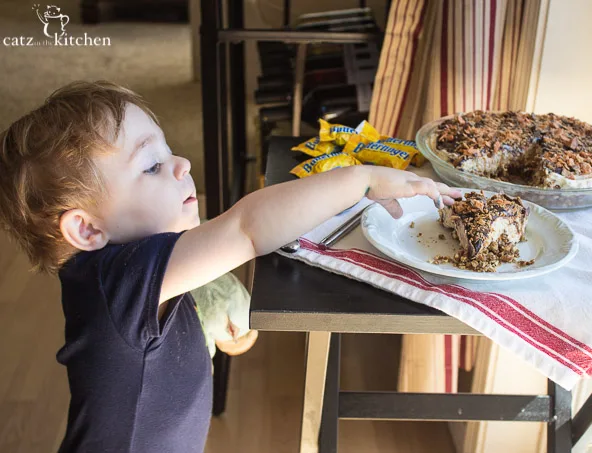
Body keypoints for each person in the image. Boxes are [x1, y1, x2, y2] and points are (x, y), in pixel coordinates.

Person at [0, 80, 460, 452]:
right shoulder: (117, 281)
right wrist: (361, 179)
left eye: (168, 151)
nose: (181, 164)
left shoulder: (134, 274)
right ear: (86, 230)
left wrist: (208, 324)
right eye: (151, 166)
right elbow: (246, 228)